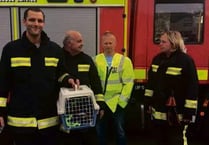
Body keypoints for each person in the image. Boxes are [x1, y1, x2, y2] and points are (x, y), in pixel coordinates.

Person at [0, 7, 79, 145]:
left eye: (40, 21)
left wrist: (69, 80)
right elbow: (3, 83)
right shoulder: (11, 49)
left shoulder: (55, 50)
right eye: (32, 20)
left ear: (43, 23)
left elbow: (61, 74)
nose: (36, 24)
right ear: (24, 21)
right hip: (21, 125)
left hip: (48, 123)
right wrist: (0, 111)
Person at [144, 30, 198, 145]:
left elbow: (192, 88)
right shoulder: (157, 59)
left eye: (164, 42)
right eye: (160, 41)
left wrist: (189, 112)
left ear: (173, 44)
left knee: (176, 140)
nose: (160, 44)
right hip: (158, 111)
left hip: (176, 114)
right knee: (158, 140)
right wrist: (148, 101)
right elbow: (151, 84)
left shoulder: (185, 61)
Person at [58, 30, 104, 145]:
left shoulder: (86, 59)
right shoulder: (58, 58)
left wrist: (100, 104)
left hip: (85, 111)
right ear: (69, 44)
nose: (82, 44)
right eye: (79, 41)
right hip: (65, 112)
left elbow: (96, 83)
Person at [94, 31, 135, 145]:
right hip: (101, 102)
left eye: (110, 43)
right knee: (100, 131)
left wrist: (121, 102)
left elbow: (129, 83)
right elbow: (94, 82)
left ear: (115, 44)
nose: (108, 46)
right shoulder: (95, 60)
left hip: (117, 102)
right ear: (102, 44)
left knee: (120, 131)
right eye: (106, 43)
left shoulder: (125, 61)